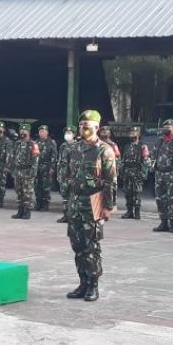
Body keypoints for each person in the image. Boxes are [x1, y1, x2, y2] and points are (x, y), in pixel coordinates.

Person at [65, 110, 116, 302]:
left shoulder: (104, 150)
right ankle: (83, 282)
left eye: (86, 125)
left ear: (96, 127)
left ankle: (93, 285)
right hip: (75, 203)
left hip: (93, 202)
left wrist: (108, 205)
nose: (83, 128)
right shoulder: (74, 148)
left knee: (91, 246)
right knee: (77, 245)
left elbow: (111, 180)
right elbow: (68, 174)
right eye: (81, 125)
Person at [152, 119, 173, 233]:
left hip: (171, 174)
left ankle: (172, 224)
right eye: (165, 127)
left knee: (171, 200)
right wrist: (152, 166)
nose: (166, 129)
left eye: (169, 127)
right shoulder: (159, 141)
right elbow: (154, 155)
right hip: (159, 174)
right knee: (159, 199)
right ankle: (163, 222)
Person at [120, 126, 151, 220]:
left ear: (138, 134)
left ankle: (137, 212)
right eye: (130, 133)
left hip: (137, 171)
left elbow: (146, 161)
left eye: (134, 133)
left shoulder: (142, 146)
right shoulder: (126, 146)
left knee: (136, 193)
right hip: (127, 172)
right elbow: (123, 160)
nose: (132, 135)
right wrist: (121, 171)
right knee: (127, 192)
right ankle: (129, 212)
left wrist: (144, 173)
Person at [10, 123, 40, 219]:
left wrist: (32, 173)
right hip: (18, 171)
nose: (22, 132)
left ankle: (27, 212)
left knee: (27, 193)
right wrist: (13, 170)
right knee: (19, 192)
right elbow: (13, 156)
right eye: (21, 130)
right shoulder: (17, 143)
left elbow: (35, 160)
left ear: (29, 132)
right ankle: (20, 211)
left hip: (28, 171)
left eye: (25, 130)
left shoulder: (33, 144)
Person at [56, 125, 76, 223]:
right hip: (63, 175)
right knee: (64, 196)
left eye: (69, 133)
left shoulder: (77, 146)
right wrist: (58, 174)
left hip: (72, 175)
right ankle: (65, 215)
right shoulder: (63, 146)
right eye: (66, 133)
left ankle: (72, 216)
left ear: (74, 134)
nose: (67, 134)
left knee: (72, 196)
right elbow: (59, 161)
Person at [35, 125, 58, 211]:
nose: (42, 133)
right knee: (37, 186)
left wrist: (52, 167)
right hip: (37, 166)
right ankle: (38, 203)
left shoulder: (51, 142)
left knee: (46, 186)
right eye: (40, 131)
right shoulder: (36, 142)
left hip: (47, 166)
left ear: (47, 132)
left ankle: (45, 204)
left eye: (43, 131)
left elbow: (54, 155)